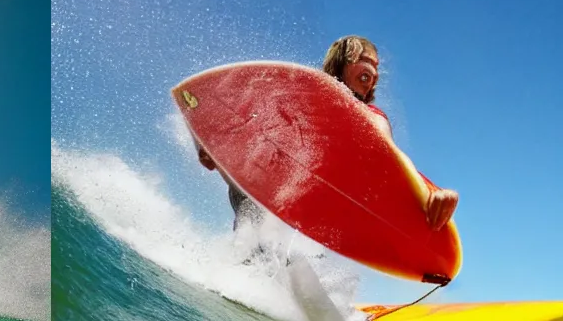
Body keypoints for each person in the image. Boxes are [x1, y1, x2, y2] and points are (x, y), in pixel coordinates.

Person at [196, 36, 458, 236]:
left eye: (377, 67)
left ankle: (292, 278)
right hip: (261, 195)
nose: (375, 72)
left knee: (287, 256)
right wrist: (210, 143)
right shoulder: (296, 97)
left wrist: (431, 191)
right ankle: (254, 266)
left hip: (311, 212)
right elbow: (220, 109)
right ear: (342, 63)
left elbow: (388, 153)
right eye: (366, 61)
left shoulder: (370, 116)